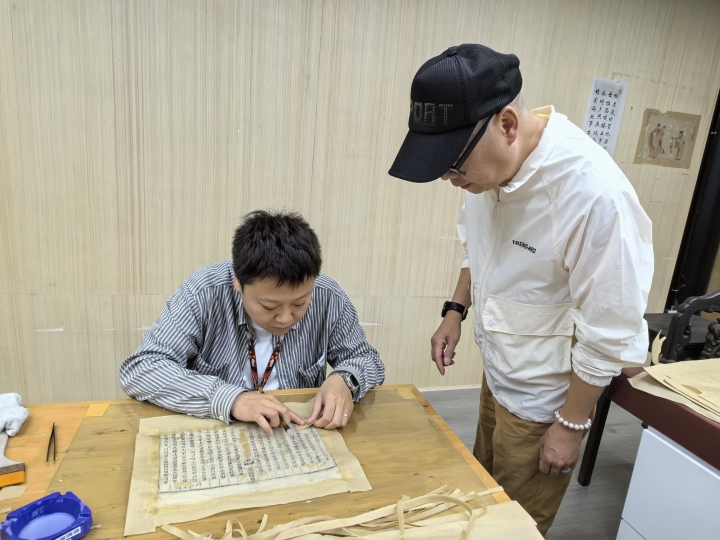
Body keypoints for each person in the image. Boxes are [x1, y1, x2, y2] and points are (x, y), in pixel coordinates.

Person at [388, 44, 653, 535]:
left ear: (507, 123)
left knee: (514, 526)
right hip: (501, 371)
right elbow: (479, 249)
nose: (449, 178)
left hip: (546, 400)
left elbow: (609, 331)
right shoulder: (487, 173)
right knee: (484, 493)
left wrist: (570, 426)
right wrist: (454, 310)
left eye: (454, 164)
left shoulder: (594, 195)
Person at [120, 210, 385, 435]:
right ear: (238, 281)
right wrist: (231, 399)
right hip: (214, 431)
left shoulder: (328, 296)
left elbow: (366, 359)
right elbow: (142, 369)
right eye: (269, 306)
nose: (285, 318)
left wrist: (345, 380)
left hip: (295, 435)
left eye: (299, 303)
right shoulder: (203, 293)